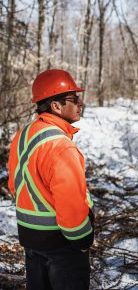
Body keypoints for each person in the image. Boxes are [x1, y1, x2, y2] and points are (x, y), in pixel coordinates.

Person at [8, 69, 95, 290]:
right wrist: (83, 241)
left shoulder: (23, 135)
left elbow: (14, 186)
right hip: (62, 247)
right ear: (55, 106)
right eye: (73, 99)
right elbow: (71, 207)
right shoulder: (61, 146)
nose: (80, 103)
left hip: (30, 241)